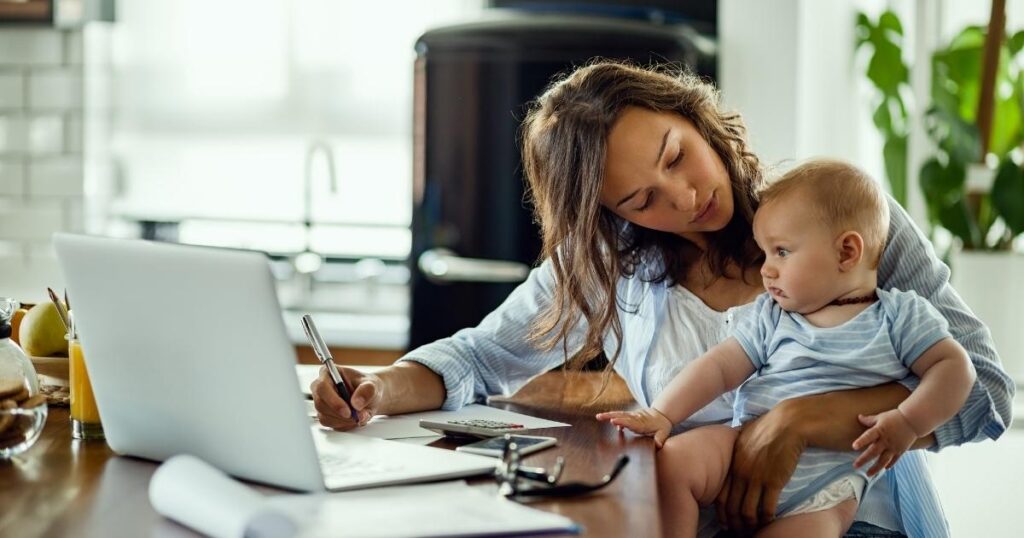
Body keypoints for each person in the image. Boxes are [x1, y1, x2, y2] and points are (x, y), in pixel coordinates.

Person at [311, 61, 1014, 537]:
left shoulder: (842, 221)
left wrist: (798, 420)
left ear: (696, 117)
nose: (685, 198)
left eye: (677, 156)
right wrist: (376, 387)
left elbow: (986, 397)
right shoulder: (611, 262)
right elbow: (478, 357)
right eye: (642, 199)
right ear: (613, 215)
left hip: (852, 518)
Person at [596, 159, 977, 537]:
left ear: (846, 252)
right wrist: (663, 413)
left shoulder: (899, 317)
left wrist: (910, 421)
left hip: (827, 489)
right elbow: (719, 367)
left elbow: (955, 367)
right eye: (764, 254)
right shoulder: (774, 315)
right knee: (673, 464)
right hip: (743, 444)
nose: (766, 270)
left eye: (781, 252)